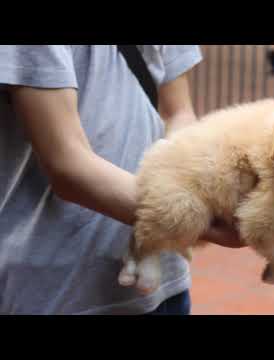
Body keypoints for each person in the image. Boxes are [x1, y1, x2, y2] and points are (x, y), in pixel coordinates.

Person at [0, 45, 244, 315]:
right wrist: (192, 216)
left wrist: (200, 189)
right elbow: (67, 165)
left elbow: (177, 112)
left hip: (164, 278)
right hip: (59, 288)